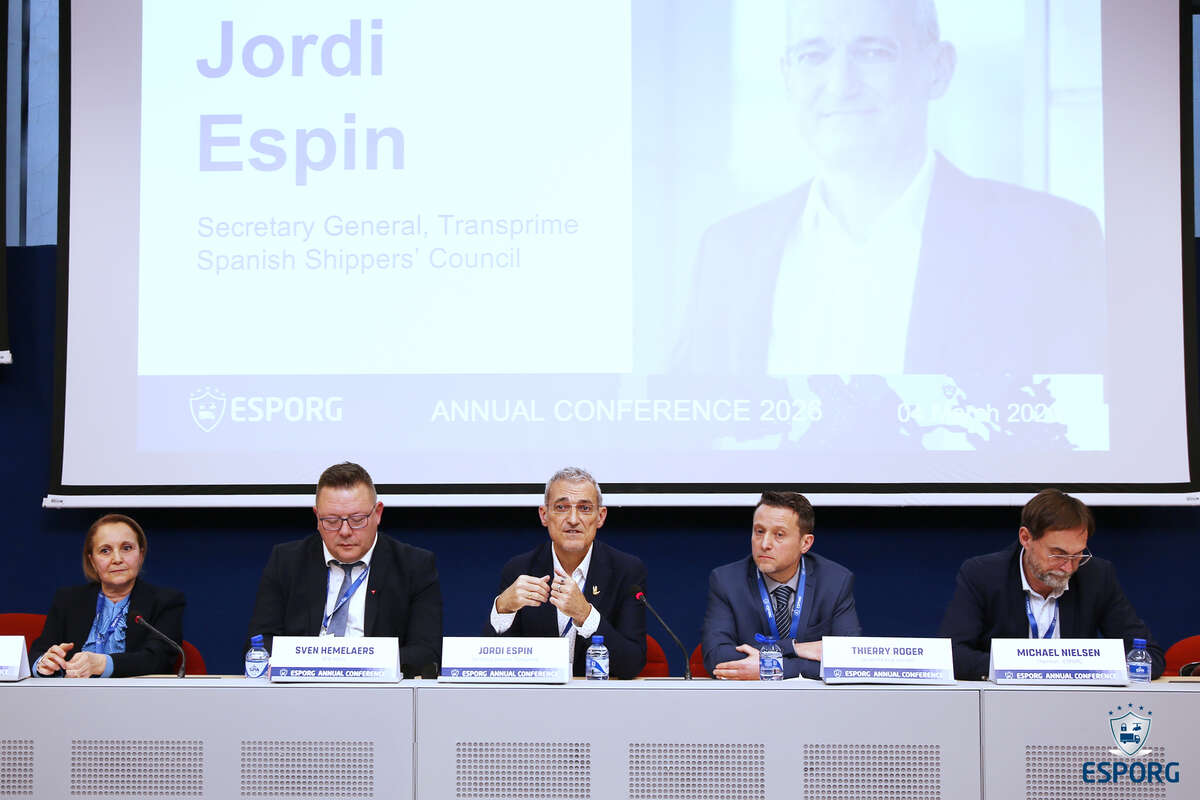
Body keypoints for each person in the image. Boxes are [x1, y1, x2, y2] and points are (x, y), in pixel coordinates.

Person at [673, 0, 1105, 376]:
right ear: (787, 76)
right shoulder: (728, 254)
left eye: (873, 52)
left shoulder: (1048, 244)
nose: (841, 85)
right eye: (813, 56)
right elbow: (689, 434)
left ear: (938, 69)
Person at [938, 488, 1165, 680]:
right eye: (1058, 554)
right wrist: (1023, 667)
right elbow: (951, 655)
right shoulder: (983, 574)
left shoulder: (1097, 576)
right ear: (1026, 538)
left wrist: (1091, 669)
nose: (1068, 567)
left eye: (1077, 554)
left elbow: (1149, 656)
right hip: (1004, 699)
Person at [246, 462, 443, 675]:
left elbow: (427, 652)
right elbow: (259, 644)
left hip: (379, 689)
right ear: (317, 517)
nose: (345, 531)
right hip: (302, 686)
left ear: (378, 513)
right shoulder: (287, 562)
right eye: (332, 521)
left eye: (357, 519)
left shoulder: (413, 565)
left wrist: (355, 662)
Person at [485, 466, 647, 678]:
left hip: (598, 695)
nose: (573, 519)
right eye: (561, 507)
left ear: (600, 516)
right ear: (544, 515)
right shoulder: (520, 570)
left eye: (585, 508)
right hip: (536, 695)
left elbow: (632, 663)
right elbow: (491, 664)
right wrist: (502, 609)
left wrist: (585, 615)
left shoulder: (626, 571)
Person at [702, 491, 860, 679]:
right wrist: (795, 649)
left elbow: (849, 659)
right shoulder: (727, 581)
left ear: (805, 543)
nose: (765, 544)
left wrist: (773, 667)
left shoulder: (834, 582)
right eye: (759, 531)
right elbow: (716, 656)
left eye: (779, 534)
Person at [30, 514, 186, 677]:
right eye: (105, 551)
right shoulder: (68, 600)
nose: (117, 559)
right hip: (71, 691)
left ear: (140, 555)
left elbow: (159, 659)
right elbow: (38, 652)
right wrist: (44, 663)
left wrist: (103, 664)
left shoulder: (166, 601)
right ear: (92, 561)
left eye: (127, 548)